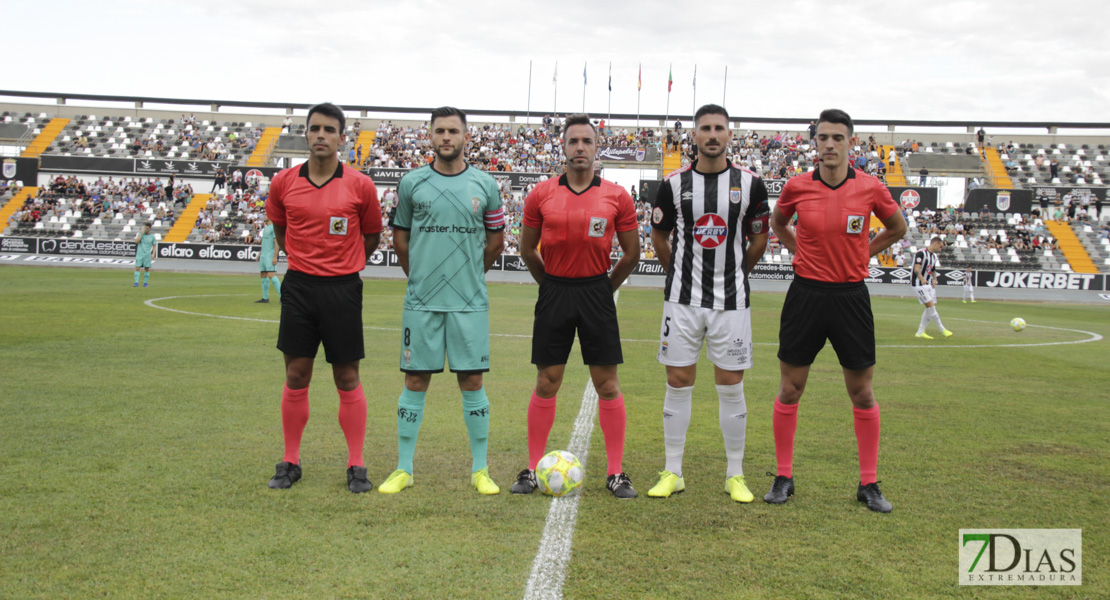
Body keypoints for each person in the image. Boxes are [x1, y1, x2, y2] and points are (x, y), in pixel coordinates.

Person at [765, 109, 907, 513]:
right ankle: (783, 476)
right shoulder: (796, 186)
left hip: (850, 297)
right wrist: (800, 252)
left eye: (837, 138)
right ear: (815, 142)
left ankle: (869, 484)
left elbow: (897, 228)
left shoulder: (870, 187)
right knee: (791, 388)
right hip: (806, 295)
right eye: (823, 137)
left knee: (862, 392)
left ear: (851, 143)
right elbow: (778, 223)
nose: (829, 144)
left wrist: (865, 251)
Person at [511, 113, 641, 499]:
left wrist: (603, 289)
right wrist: (551, 285)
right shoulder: (541, 194)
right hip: (555, 292)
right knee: (547, 382)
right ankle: (535, 469)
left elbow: (631, 254)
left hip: (595, 292)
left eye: (587, 141)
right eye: (573, 141)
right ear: (563, 147)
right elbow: (527, 249)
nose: (580, 147)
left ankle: (616, 472)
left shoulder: (617, 196)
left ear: (596, 148)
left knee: (607, 384)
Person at [378, 107, 506, 496]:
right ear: (430, 137)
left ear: (466, 137)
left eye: (453, 131)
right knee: (415, 379)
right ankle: (403, 468)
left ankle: (480, 470)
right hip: (422, 301)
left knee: (472, 380)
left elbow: (496, 242)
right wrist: (419, 277)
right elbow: (399, 239)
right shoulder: (412, 183)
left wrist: (469, 275)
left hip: (469, 302)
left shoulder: (486, 184)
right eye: (439, 131)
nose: (446, 137)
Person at [645, 104, 770, 502]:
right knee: (678, 381)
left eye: (719, 128)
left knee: (730, 384)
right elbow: (659, 235)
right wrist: (677, 274)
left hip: (731, 302)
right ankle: (673, 471)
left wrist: (736, 274)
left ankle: (735, 474)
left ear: (730, 135)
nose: (712, 135)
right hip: (681, 301)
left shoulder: (751, 184)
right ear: (694, 136)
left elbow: (759, 239)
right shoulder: (673, 183)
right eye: (705, 129)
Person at [265, 102, 383, 494]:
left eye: (329, 130)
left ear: (341, 138)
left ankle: (356, 464)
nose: (320, 135)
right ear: (305, 133)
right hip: (299, 287)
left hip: (343, 288)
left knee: (347, 377)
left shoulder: (360, 185)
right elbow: (282, 230)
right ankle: (291, 461)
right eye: (314, 128)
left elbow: (370, 237)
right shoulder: (284, 182)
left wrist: (342, 266)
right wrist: (305, 261)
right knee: (297, 374)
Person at [913, 237, 953, 339]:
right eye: (940, 246)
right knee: (931, 307)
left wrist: (935, 279)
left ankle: (920, 332)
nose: (941, 249)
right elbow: (916, 269)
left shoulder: (934, 256)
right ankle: (942, 329)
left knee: (929, 308)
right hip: (919, 284)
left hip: (929, 284)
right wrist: (921, 278)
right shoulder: (921, 253)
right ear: (935, 243)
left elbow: (933, 269)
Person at [256, 216, 281, 303]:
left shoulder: (274, 227)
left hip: (270, 255)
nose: (264, 216)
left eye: (265, 215)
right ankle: (265, 298)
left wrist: (275, 256)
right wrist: (260, 254)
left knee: (271, 275)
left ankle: (283, 297)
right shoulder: (266, 228)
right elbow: (265, 243)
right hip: (263, 255)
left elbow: (277, 242)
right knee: (263, 274)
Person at [133, 222, 156, 287]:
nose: (145, 229)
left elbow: (154, 245)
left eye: (147, 228)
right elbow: (136, 241)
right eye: (145, 228)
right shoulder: (140, 234)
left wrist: (153, 253)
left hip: (147, 254)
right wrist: (141, 234)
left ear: (150, 228)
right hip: (140, 254)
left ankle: (145, 283)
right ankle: (136, 282)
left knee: (147, 268)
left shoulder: (152, 236)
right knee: (137, 268)